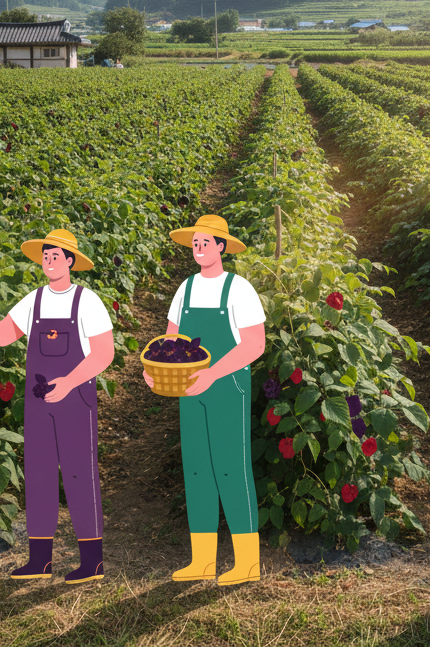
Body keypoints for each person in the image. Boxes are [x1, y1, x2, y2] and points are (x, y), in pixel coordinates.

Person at [0, 228, 115, 584]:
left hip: (75, 399)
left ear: (70, 261)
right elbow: (1, 334)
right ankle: (39, 560)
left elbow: (105, 353)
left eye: (56, 256)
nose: (49, 261)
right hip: (40, 403)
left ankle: (93, 562)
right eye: (45, 256)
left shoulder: (87, 302)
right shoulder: (34, 301)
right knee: (38, 475)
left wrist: (69, 382)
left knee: (78, 475)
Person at [143, 214, 266, 585]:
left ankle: (247, 562)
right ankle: (203, 560)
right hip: (189, 392)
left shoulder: (239, 289)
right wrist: (156, 370)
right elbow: (170, 343)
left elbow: (254, 344)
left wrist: (212, 373)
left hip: (227, 388)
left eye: (206, 243)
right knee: (197, 470)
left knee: (231, 468)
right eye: (195, 244)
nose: (199, 249)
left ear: (221, 247)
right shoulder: (186, 289)